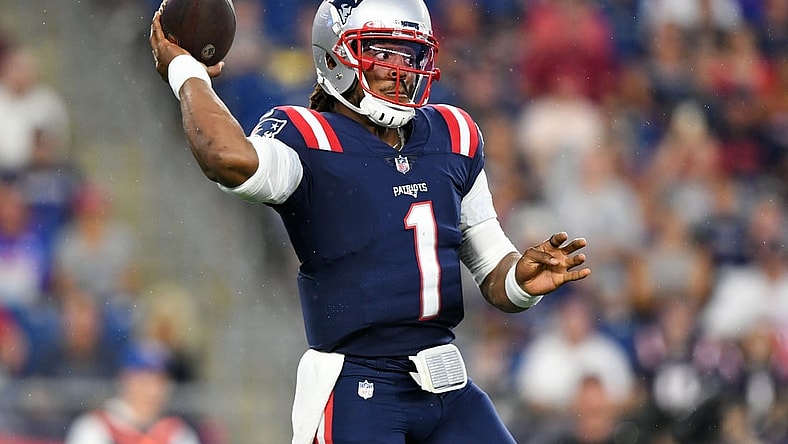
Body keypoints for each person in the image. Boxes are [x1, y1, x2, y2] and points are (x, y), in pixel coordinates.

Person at [149, 0, 591, 442]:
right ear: (335, 56)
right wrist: (187, 73)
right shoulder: (308, 137)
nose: (399, 69)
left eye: (410, 55)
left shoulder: (453, 134)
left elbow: (491, 262)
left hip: (447, 384)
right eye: (382, 52)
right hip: (356, 384)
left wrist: (518, 281)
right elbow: (226, 157)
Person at [64, 341, 201, 444]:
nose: (152, 391)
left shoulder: (178, 433)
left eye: (159, 382)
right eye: (143, 381)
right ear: (125, 380)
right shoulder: (94, 428)